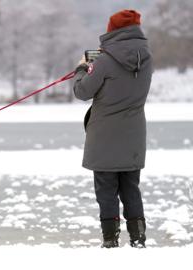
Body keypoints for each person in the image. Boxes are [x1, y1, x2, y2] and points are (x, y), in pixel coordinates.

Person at [73, 10, 152, 248]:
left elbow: (82, 92)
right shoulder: (147, 58)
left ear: (113, 30)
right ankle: (138, 239)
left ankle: (110, 241)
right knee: (131, 188)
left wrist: (81, 69)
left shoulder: (104, 60)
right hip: (134, 135)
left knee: (106, 190)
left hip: (104, 137)